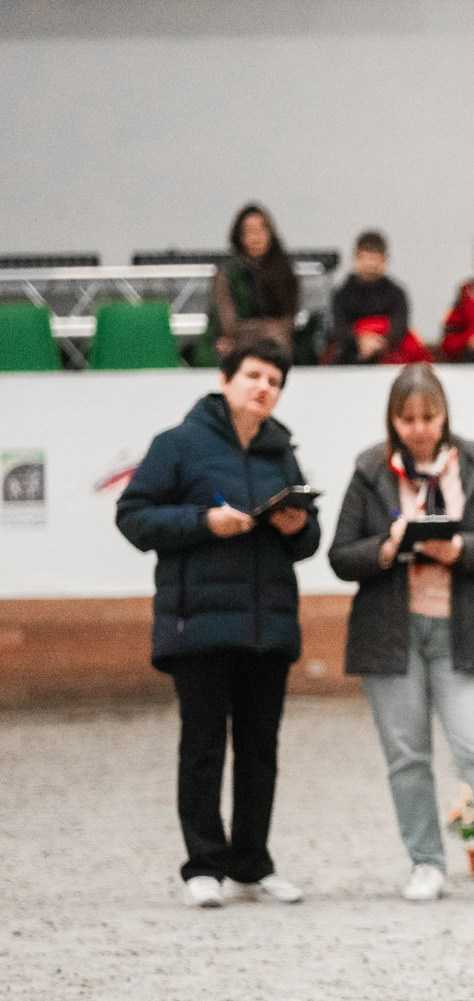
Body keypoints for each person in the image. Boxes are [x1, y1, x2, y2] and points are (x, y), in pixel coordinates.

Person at [327, 365, 474, 904]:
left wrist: (459, 551)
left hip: (462, 627)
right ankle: (426, 863)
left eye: (429, 417)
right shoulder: (369, 470)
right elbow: (341, 555)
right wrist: (387, 547)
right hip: (391, 630)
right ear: (393, 420)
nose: (419, 429)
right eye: (407, 419)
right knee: (407, 755)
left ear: (445, 414)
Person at [115, 339, 321, 909]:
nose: (264, 388)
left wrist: (294, 526)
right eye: (254, 375)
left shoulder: (283, 452)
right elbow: (133, 517)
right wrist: (205, 521)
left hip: (268, 625)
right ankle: (202, 864)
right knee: (203, 745)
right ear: (227, 378)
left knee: (260, 748)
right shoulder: (177, 444)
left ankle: (252, 863)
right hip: (199, 625)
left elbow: (310, 539)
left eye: (275, 381)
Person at [325, 231, 430, 365]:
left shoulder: (396, 293)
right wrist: (360, 341)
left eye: (375, 259)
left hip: (390, 353)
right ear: (356, 257)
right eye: (366, 258)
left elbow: (399, 326)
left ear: (384, 259)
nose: (370, 264)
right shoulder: (341, 294)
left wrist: (379, 342)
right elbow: (339, 327)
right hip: (351, 353)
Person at [211, 203, 300, 361]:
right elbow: (229, 326)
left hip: (279, 347)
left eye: (261, 230)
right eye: (249, 231)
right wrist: (266, 330)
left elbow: (289, 322)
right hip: (238, 348)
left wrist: (257, 330)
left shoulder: (285, 272)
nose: (256, 237)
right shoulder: (227, 275)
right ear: (239, 237)